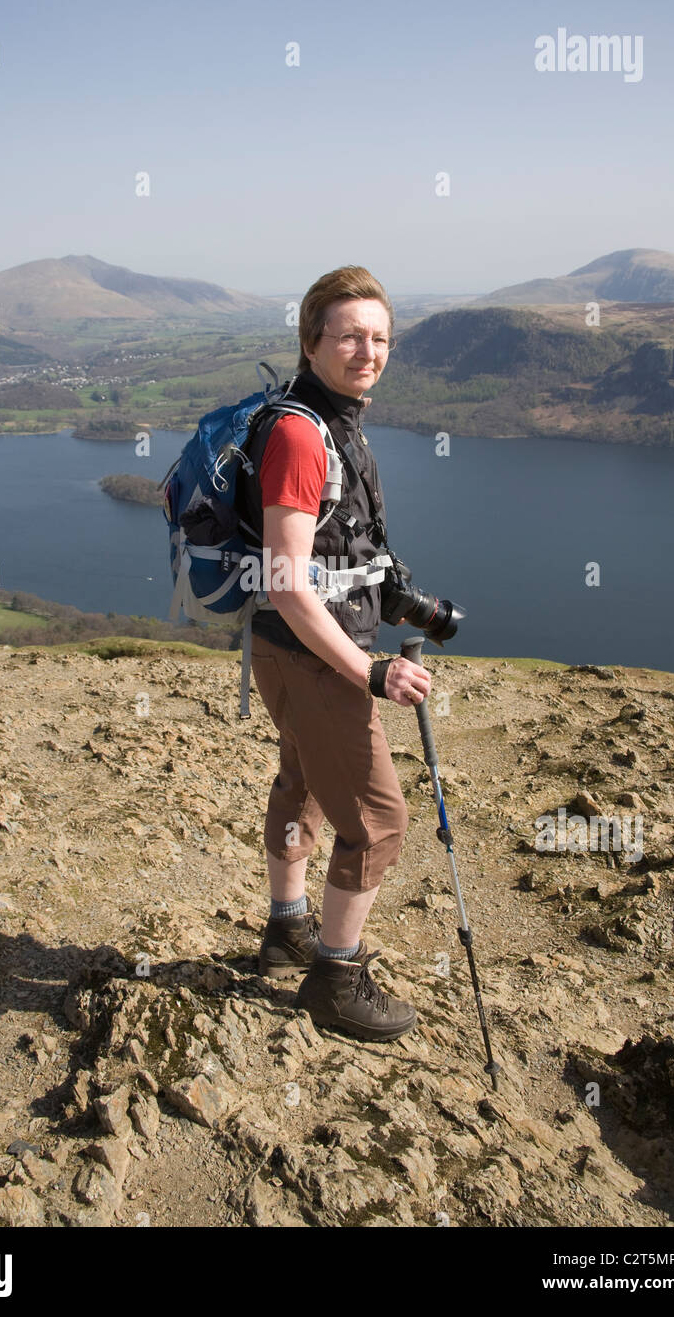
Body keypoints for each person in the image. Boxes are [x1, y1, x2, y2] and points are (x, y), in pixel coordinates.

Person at [239, 265, 432, 1043]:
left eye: (380, 337)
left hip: (293, 651)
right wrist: (371, 671)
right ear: (311, 340)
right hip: (314, 655)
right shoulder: (297, 432)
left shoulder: (334, 418)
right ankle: (336, 978)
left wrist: (397, 600)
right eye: (350, 334)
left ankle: (287, 930)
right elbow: (288, 580)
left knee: (304, 786)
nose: (367, 350)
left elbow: (335, 549)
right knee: (379, 821)